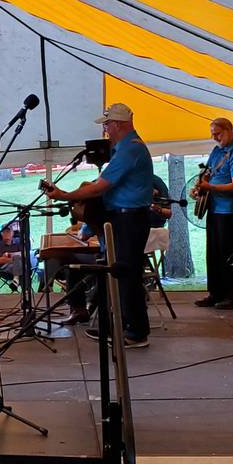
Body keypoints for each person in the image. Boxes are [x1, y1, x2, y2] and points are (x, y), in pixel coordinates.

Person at [43, 102, 153, 348]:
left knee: (127, 275)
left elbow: (103, 185)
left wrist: (65, 195)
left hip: (129, 218)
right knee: (123, 273)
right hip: (124, 216)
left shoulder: (129, 150)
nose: (105, 130)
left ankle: (135, 332)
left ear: (117, 124)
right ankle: (125, 326)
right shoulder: (124, 148)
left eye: (107, 124)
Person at [194, 117, 233, 310]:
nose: (214, 138)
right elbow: (208, 173)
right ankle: (216, 292)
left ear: (229, 130)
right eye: (212, 134)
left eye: (217, 133)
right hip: (214, 207)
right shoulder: (217, 150)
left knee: (229, 254)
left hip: (229, 210)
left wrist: (209, 186)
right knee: (214, 253)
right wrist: (199, 188)